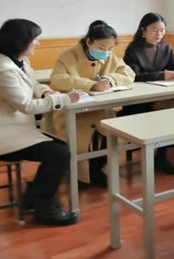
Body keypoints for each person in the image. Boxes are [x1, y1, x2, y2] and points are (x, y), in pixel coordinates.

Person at [0, 19, 82, 226]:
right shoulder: (2, 70)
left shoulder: (15, 60)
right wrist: (64, 99)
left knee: (60, 149)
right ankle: (45, 209)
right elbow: (26, 106)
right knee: (59, 154)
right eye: (34, 39)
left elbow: (33, 82)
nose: (38, 43)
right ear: (20, 41)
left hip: (8, 129)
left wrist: (46, 92)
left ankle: (33, 199)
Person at [50, 20, 135, 186]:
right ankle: (79, 176)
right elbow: (57, 79)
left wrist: (110, 79)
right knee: (77, 142)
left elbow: (129, 74)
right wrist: (91, 85)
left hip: (100, 110)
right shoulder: (68, 56)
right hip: (73, 113)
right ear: (89, 42)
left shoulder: (110, 57)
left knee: (118, 135)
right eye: (102, 48)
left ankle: (96, 168)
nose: (106, 52)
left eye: (111, 48)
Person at [122, 12, 174, 174]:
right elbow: (133, 75)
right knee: (171, 108)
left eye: (162, 30)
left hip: (162, 96)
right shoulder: (133, 49)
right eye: (154, 30)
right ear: (143, 30)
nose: (159, 34)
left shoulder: (166, 48)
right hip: (139, 101)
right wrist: (161, 75)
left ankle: (169, 152)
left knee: (173, 107)